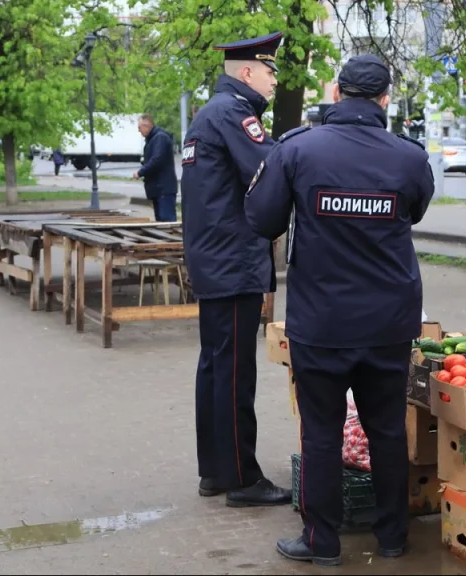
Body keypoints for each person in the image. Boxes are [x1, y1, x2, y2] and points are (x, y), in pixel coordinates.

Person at [245, 54, 435, 566]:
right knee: (388, 430)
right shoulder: (409, 158)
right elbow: (415, 210)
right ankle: (393, 537)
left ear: (336, 93)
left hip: (322, 322)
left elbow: (262, 221)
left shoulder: (297, 150)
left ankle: (321, 541)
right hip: (388, 322)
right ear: (385, 99)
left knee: (322, 433)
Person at [179, 31, 291, 508]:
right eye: (269, 72)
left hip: (215, 261)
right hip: (232, 262)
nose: (273, 81)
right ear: (247, 72)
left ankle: (215, 472)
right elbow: (271, 171)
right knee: (233, 373)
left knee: (215, 368)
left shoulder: (209, 114)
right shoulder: (232, 113)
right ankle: (242, 478)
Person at [133, 114, 178, 222]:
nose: (139, 131)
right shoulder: (154, 139)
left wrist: (140, 172)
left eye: (139, 128)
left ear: (147, 126)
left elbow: (157, 160)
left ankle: (172, 240)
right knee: (161, 222)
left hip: (163, 188)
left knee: (166, 222)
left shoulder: (160, 138)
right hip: (158, 188)